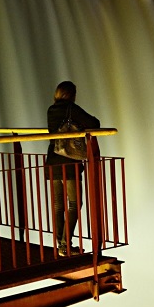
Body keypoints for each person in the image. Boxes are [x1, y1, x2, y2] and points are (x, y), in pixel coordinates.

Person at [45, 81, 100, 257]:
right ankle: (65, 245)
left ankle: (61, 244)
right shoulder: (72, 109)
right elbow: (95, 123)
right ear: (71, 95)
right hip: (69, 162)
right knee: (75, 204)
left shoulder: (51, 110)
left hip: (53, 160)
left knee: (58, 204)